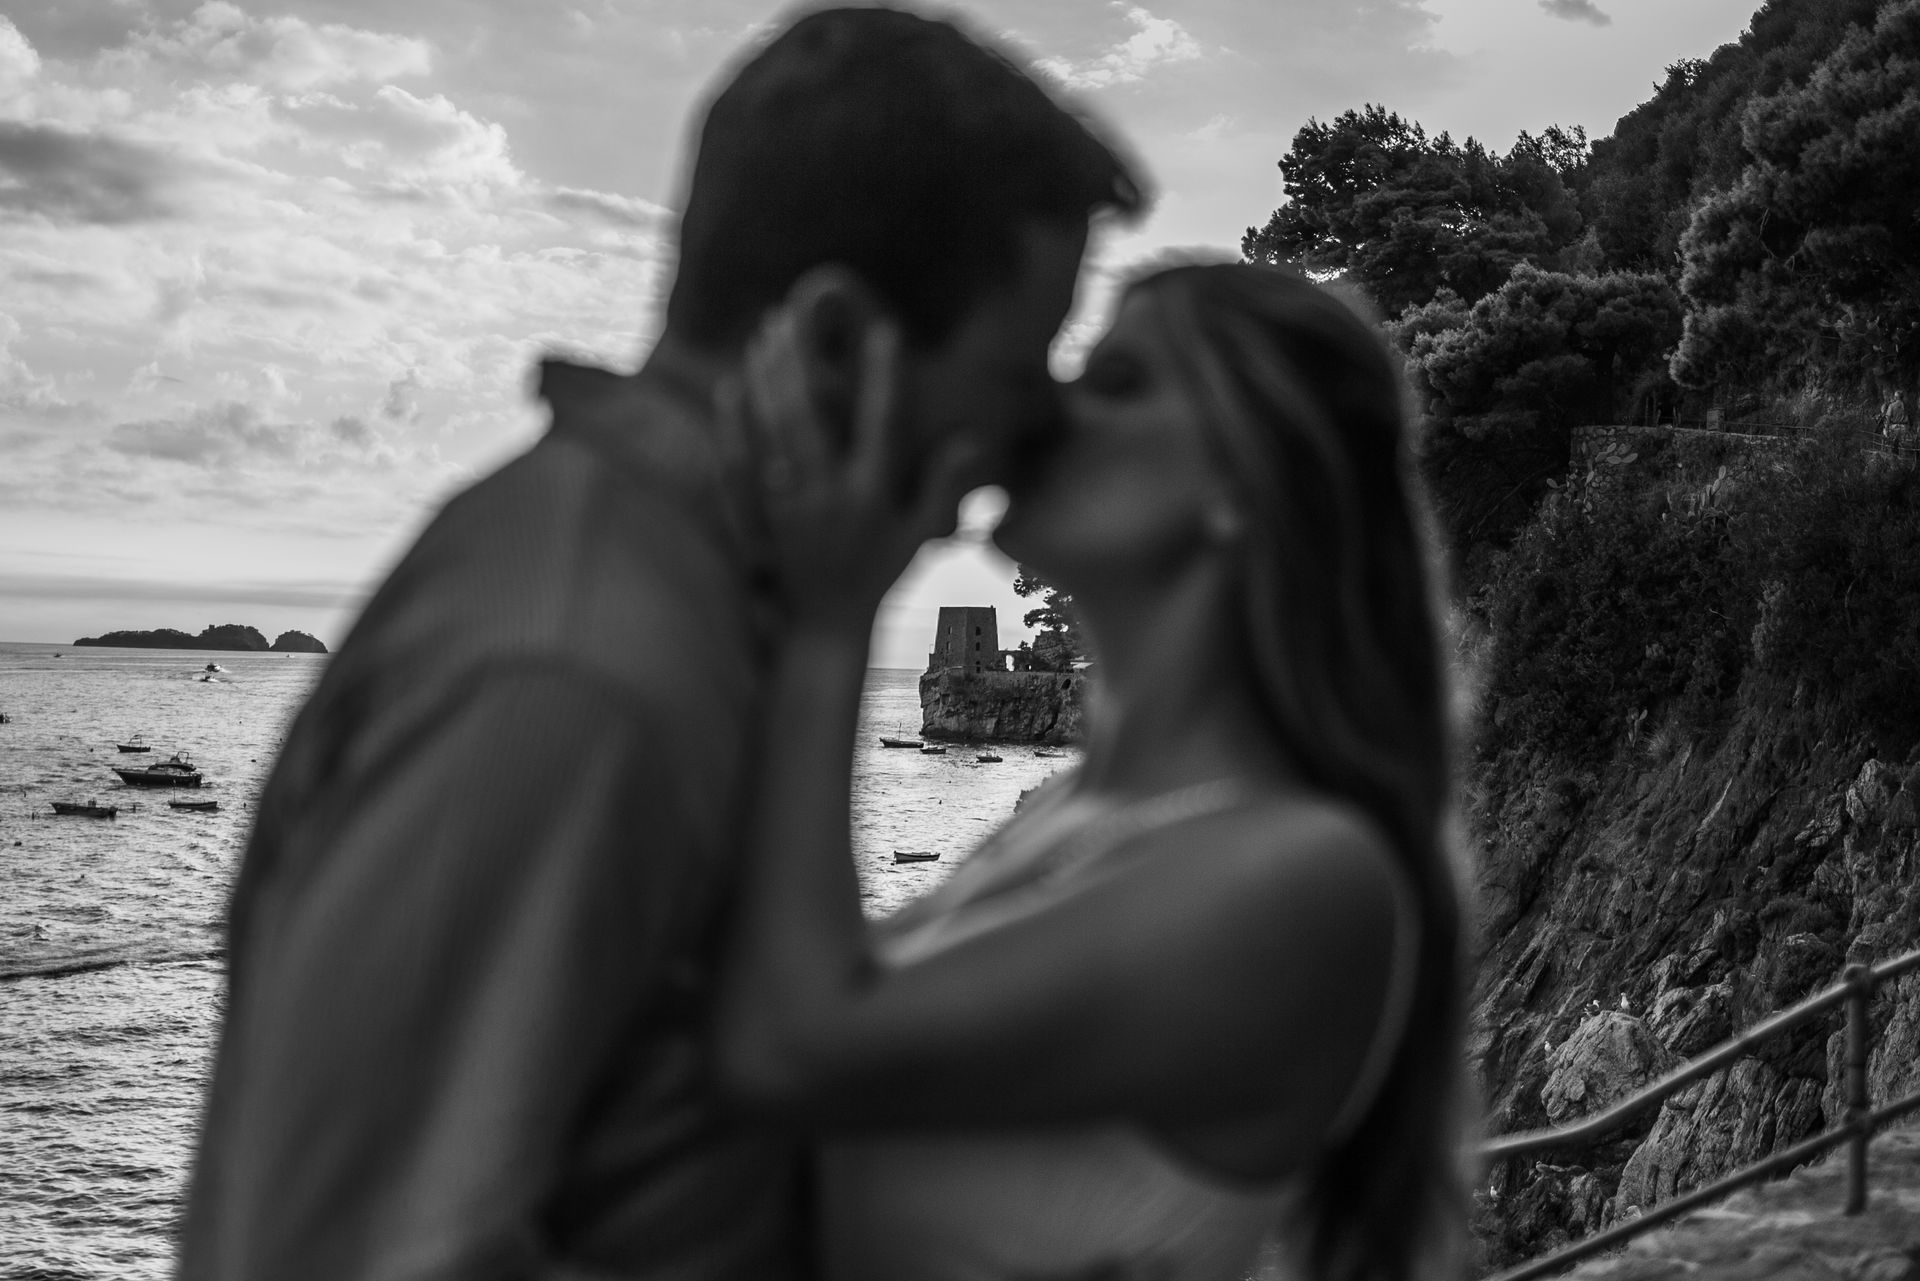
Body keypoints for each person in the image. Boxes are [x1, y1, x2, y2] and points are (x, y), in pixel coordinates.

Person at [176, 10, 1141, 1280]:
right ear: (844, 340)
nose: (1024, 443)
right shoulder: (577, 669)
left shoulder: (684, 605)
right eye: (1016, 374)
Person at [714, 262, 1473, 1280]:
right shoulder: (1071, 815)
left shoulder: (1303, 873)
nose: (1050, 401)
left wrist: (833, 616)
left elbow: (789, 1049)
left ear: (1243, 486)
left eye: (1117, 381)